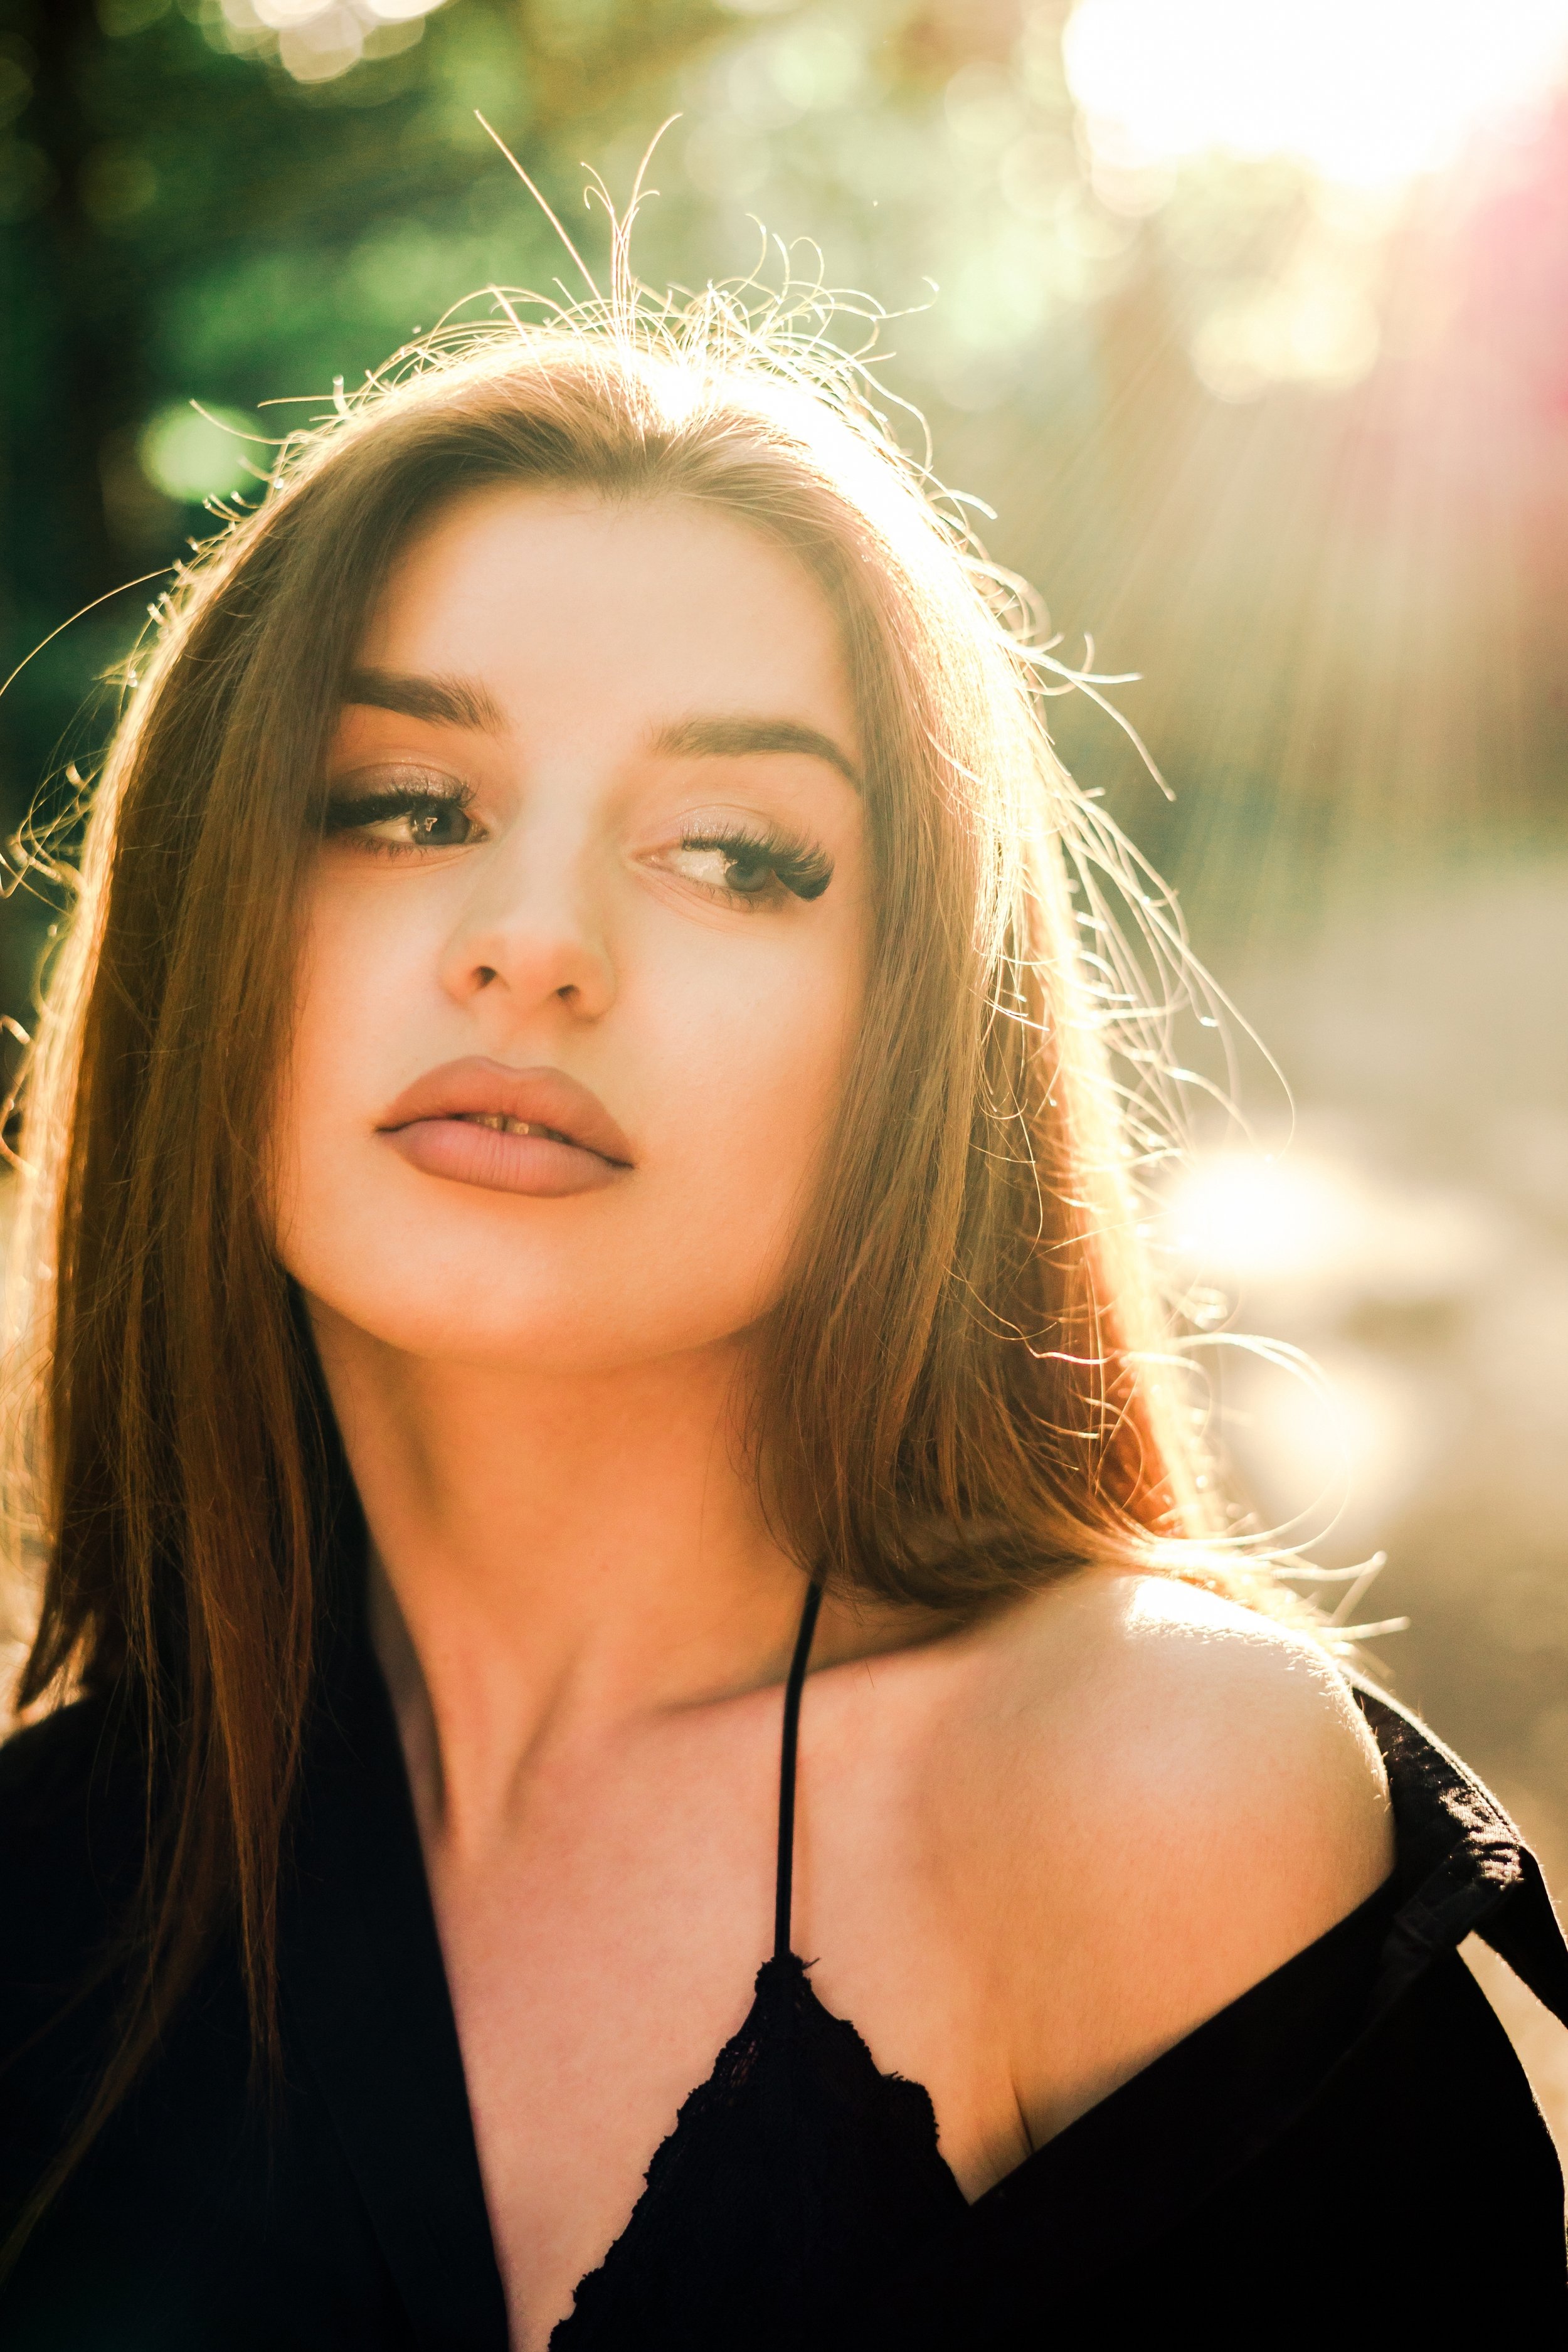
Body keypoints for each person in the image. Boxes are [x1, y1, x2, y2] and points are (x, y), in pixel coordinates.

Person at [0, 283, 1564, 2350]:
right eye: (402, 806)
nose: (533, 946)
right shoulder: (49, 1895)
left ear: (910, 1045)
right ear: (207, 904)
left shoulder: (1138, 1795)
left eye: (732, 856)